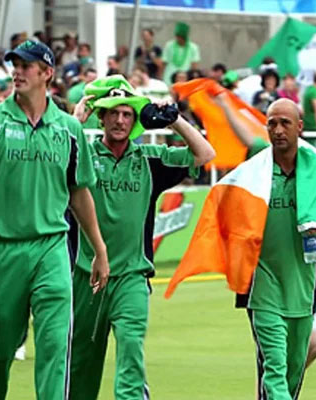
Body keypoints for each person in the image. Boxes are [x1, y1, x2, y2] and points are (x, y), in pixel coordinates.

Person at [67, 75, 215, 399]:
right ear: (101, 117)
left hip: (132, 277)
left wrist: (174, 119)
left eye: (127, 114)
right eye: (113, 113)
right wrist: (76, 119)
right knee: (82, 367)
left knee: (131, 351)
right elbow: (57, 156)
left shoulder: (149, 160)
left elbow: (205, 154)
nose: (120, 120)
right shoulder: (83, 156)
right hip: (86, 278)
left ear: (135, 121)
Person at [213, 93, 316, 400]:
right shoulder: (255, 170)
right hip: (263, 285)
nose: (277, 130)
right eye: (271, 123)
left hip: (303, 288)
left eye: (284, 123)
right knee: (274, 370)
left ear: (300, 127)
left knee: (293, 370)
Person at [0, 39, 109, 400]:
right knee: (0, 351)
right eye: (15, 64)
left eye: (27, 65)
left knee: (55, 345)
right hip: (4, 249)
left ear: (47, 73)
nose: (18, 71)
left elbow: (79, 192)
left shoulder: (69, 130)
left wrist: (99, 250)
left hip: (52, 248)